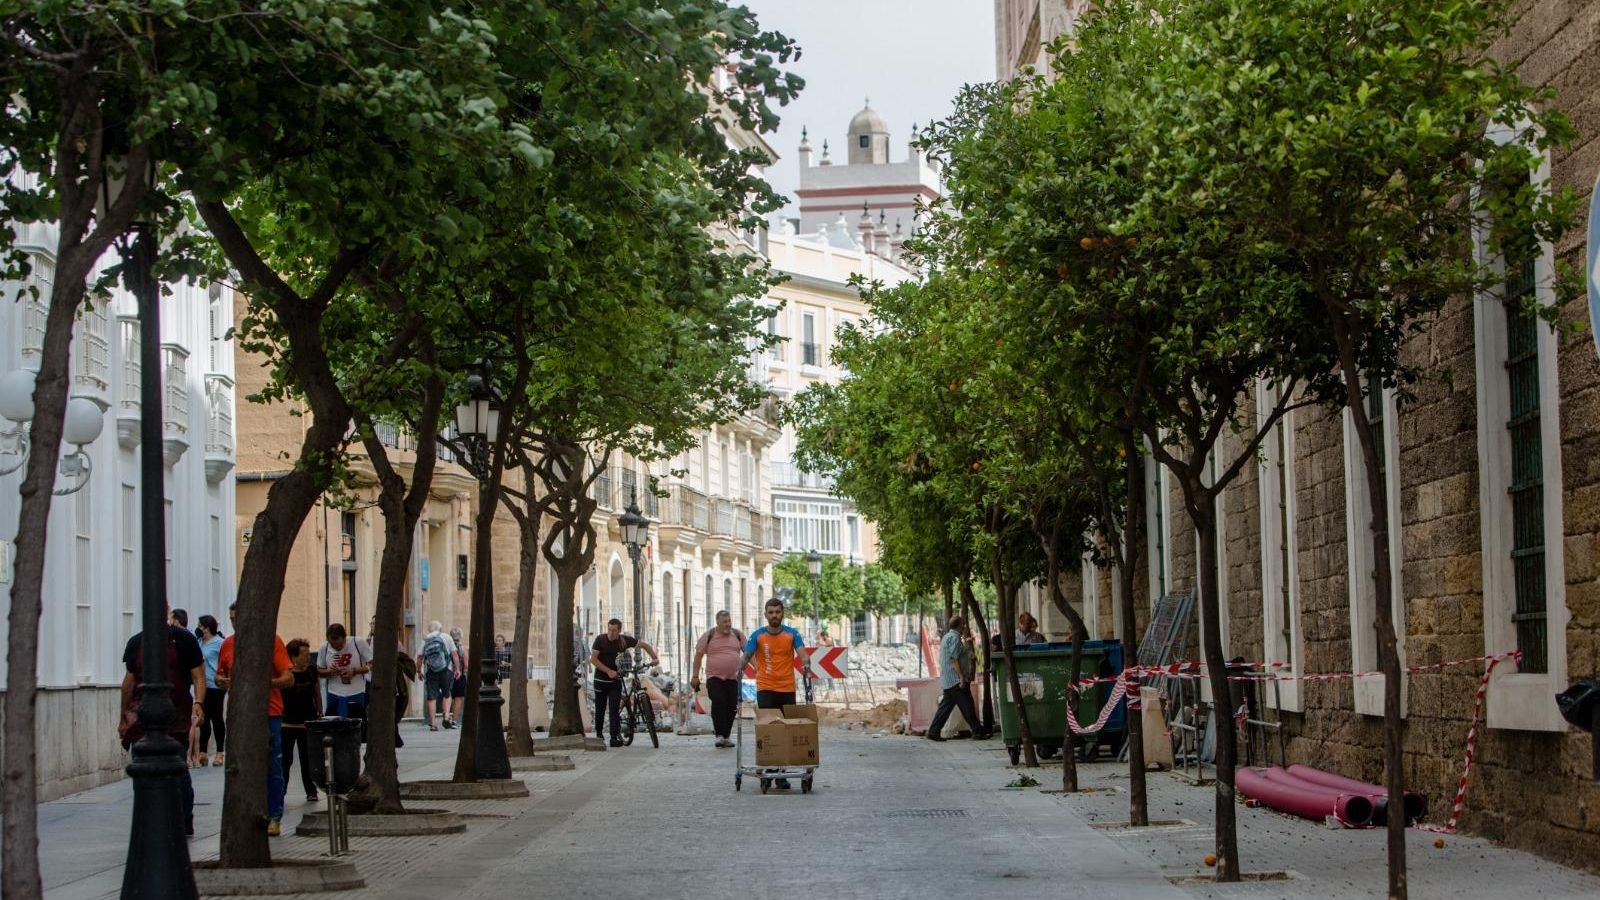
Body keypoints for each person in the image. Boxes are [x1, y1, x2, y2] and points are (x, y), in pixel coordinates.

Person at [120, 608, 206, 835]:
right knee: (141, 768)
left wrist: (199, 703)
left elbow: (198, 675)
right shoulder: (136, 643)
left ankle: (184, 818)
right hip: (142, 718)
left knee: (178, 770)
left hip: (174, 716)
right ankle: (148, 819)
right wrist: (123, 717)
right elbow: (128, 683)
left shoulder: (184, 640)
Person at [216, 603, 295, 836]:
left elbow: (288, 678)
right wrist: (221, 681)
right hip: (238, 713)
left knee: (272, 764)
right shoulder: (227, 644)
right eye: (231, 618)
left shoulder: (272, 641)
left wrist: (262, 682)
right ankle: (243, 814)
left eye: (236, 617)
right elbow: (221, 674)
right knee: (238, 764)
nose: (233, 622)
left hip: (268, 712)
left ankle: (274, 815)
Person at [740, 599, 811, 789]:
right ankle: (769, 769)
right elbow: (746, 656)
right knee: (769, 730)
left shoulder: (792, 634)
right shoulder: (758, 635)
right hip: (766, 688)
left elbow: (802, 653)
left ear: (782, 613)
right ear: (765, 615)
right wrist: (739, 669)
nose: (774, 616)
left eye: (777, 612)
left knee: (786, 731)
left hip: (787, 688)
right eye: (771, 612)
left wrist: (805, 662)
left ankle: (781, 776)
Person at [589, 618, 660, 747]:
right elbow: (593, 659)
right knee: (600, 708)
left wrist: (654, 657)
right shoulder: (600, 640)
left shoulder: (623, 641)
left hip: (616, 681)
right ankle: (599, 735)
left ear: (619, 631)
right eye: (609, 629)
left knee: (614, 709)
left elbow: (644, 645)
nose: (611, 633)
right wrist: (608, 671)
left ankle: (614, 737)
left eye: (614, 630)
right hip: (601, 680)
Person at [927, 615, 987, 741]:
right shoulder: (954, 638)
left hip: (949, 678)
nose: (965, 627)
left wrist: (967, 654)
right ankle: (977, 731)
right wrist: (961, 677)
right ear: (960, 626)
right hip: (955, 679)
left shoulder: (947, 637)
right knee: (967, 706)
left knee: (949, 706)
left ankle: (934, 731)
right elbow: (954, 660)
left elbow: (956, 655)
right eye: (963, 624)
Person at [690, 610, 744, 749]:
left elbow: (749, 653)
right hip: (714, 677)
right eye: (724, 622)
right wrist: (695, 676)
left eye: (729, 621)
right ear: (717, 623)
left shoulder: (737, 635)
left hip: (733, 677)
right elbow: (698, 656)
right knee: (719, 701)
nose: (728, 624)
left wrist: (759, 670)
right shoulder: (709, 635)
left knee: (732, 706)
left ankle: (726, 736)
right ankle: (719, 735)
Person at [281, 638, 322, 803]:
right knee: (285, 760)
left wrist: (319, 711)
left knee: (308, 760)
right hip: (287, 723)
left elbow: (317, 692)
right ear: (293, 656)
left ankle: (311, 790)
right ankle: (281, 791)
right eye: (304, 655)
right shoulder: (285, 673)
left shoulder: (312, 671)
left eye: (308, 654)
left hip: (308, 723)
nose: (307, 658)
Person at [316, 623, 370, 724]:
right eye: (332, 645)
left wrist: (354, 671)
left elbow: (371, 665)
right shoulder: (324, 648)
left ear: (344, 638)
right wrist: (328, 672)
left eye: (339, 645)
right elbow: (319, 671)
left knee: (355, 723)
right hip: (334, 692)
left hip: (356, 691)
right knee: (334, 724)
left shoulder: (357, 643)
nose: (336, 648)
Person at [195, 614, 226, 767]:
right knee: (203, 719)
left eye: (200, 626)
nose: (198, 628)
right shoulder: (198, 642)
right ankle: (203, 752)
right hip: (202, 685)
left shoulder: (219, 643)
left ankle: (220, 752)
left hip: (215, 685)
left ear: (207, 627)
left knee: (217, 717)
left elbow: (225, 661)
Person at [418, 621, 458, 731]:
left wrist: (418, 671)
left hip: (431, 671)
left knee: (431, 697)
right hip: (446, 669)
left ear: (429, 629)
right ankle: (446, 716)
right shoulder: (447, 637)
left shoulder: (426, 639)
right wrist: (457, 669)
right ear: (440, 629)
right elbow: (454, 655)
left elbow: (420, 657)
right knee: (447, 694)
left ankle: (433, 724)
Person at [448, 626, 468, 727]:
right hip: (459, 676)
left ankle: (446, 717)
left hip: (447, 674)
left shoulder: (447, 647)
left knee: (447, 697)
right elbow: (466, 664)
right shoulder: (462, 648)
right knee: (458, 698)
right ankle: (454, 720)